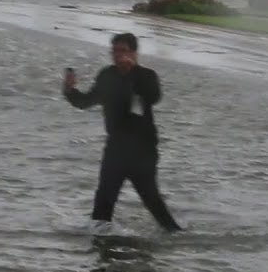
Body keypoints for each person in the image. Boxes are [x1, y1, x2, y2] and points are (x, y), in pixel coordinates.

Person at [63, 32, 183, 232]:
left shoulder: (146, 76)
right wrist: (70, 90)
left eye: (123, 51)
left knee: (151, 199)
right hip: (115, 148)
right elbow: (85, 102)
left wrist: (131, 76)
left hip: (142, 150)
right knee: (103, 201)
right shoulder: (107, 75)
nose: (118, 55)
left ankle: (175, 234)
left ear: (134, 53)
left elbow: (153, 97)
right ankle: (100, 246)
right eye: (115, 51)